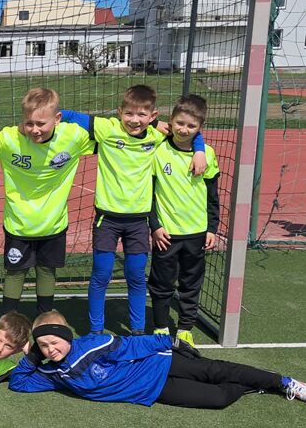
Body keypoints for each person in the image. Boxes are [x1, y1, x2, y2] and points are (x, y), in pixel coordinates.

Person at [60, 85, 206, 335]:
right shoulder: (107, 129)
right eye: (128, 113)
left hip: (139, 222)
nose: (134, 120)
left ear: (153, 115)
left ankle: (137, 330)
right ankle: (96, 331)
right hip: (107, 220)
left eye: (142, 115)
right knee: (101, 274)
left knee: (136, 275)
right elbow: (69, 115)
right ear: (119, 112)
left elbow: (189, 133)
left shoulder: (157, 135)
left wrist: (200, 150)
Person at [0, 87, 95, 316]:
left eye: (41, 123)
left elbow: (113, 139)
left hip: (53, 224)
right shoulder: (8, 139)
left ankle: (44, 318)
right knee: (15, 273)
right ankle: (7, 319)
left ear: (57, 119)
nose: (35, 130)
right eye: (29, 123)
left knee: (47, 271)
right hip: (18, 225)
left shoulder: (74, 137)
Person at [9, 310, 306, 409]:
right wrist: (32, 357)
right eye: (43, 346)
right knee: (218, 398)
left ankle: (283, 382)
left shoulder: (94, 345)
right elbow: (18, 383)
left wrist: (169, 341)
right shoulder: (53, 374)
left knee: (216, 370)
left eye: (54, 342)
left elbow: (132, 345)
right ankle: (255, 386)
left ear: (67, 336)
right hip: (152, 390)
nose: (51, 349)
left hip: (159, 361)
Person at [148, 95, 220, 347]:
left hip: (197, 233)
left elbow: (213, 196)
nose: (184, 129)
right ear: (171, 121)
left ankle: (185, 328)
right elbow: (149, 195)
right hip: (166, 234)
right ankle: (160, 326)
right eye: (179, 123)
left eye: (191, 126)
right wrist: (155, 226)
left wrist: (212, 228)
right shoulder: (158, 151)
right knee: (161, 283)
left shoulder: (206, 154)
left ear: (200, 127)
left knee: (191, 283)